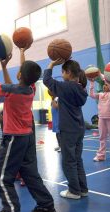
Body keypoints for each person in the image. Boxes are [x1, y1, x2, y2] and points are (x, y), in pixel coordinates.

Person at [0, 48, 56, 212]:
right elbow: (13, 85)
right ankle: (47, 205)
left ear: (19, 75)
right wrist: (4, 67)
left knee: (0, 175)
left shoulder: (12, 89)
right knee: (30, 173)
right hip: (28, 137)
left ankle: (11, 211)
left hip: (14, 138)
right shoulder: (30, 89)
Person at [43, 58, 88, 200]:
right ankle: (83, 189)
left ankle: (74, 191)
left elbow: (46, 80)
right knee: (77, 159)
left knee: (68, 161)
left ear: (68, 72)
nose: (62, 75)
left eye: (62, 72)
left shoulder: (65, 86)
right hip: (79, 128)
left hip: (68, 129)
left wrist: (51, 64)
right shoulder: (81, 88)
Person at [89, 75, 110, 162]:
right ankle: (100, 156)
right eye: (104, 85)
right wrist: (92, 83)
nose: (104, 85)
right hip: (101, 119)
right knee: (102, 138)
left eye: (106, 85)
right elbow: (91, 95)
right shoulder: (100, 95)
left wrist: (101, 75)